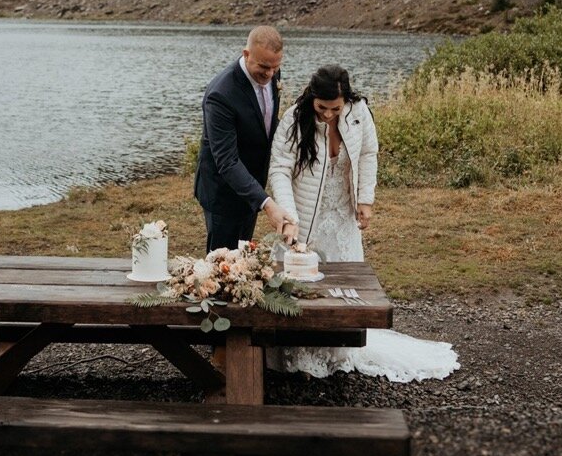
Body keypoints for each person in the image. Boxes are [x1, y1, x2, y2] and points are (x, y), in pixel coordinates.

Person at [267, 64, 457, 381]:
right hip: (304, 216)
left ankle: (337, 352)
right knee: (299, 285)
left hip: (342, 214)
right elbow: (280, 170)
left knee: (342, 287)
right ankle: (294, 351)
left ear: (346, 101)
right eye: (321, 108)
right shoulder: (293, 119)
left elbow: (369, 154)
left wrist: (365, 200)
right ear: (312, 98)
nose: (328, 114)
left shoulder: (359, 114)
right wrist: (288, 215)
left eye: (335, 108)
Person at [194, 25, 298, 253]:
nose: (270, 74)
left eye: (275, 67)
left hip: (253, 185)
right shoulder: (221, 95)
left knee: (242, 255)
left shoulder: (270, 71)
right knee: (221, 262)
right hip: (222, 192)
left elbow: (266, 123)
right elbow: (227, 161)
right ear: (246, 54)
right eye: (263, 67)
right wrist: (267, 203)